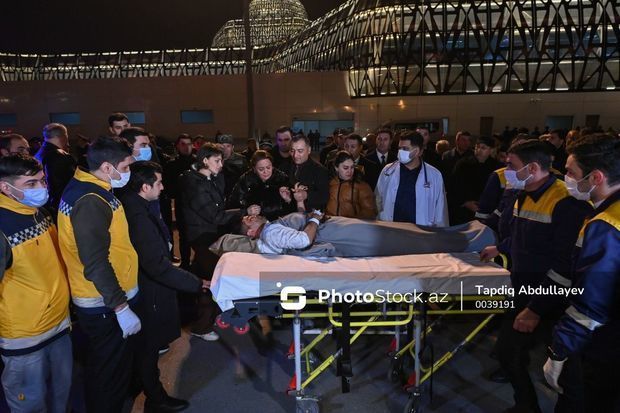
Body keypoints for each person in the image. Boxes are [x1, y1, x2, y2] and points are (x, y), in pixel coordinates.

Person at [479, 140, 592, 413]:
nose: (506, 170)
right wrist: (501, 247)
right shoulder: (524, 193)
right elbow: (523, 236)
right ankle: (526, 405)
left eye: (511, 165)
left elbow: (565, 264)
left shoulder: (565, 202)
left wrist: (535, 309)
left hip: (551, 297)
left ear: (532, 168)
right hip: (524, 289)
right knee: (508, 353)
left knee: (563, 368)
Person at [57, 136, 141, 412]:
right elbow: (95, 261)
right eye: (125, 167)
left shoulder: (89, 186)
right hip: (103, 302)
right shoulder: (90, 200)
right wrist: (120, 307)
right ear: (107, 167)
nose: (128, 172)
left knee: (109, 367)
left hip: (105, 297)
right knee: (108, 373)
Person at [119, 161, 208, 412]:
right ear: (145, 187)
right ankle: (155, 398)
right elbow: (156, 265)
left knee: (144, 348)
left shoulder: (138, 205)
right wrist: (195, 282)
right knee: (148, 347)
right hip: (149, 290)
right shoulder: (138, 216)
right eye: (158, 183)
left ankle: (143, 387)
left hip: (148, 285)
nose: (162, 187)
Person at [544, 134, 620, 412]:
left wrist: (559, 351)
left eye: (571, 172)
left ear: (596, 177)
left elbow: (591, 304)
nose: (565, 178)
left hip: (605, 344)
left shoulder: (606, 225)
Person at [0, 154, 72, 413]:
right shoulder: (3, 226)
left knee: (61, 392)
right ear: (5, 187)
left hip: (58, 323)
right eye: (30, 184)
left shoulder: (38, 212)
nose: (41, 188)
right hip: (25, 336)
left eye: (42, 181)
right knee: (29, 401)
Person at [178, 143, 241, 341]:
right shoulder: (195, 185)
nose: (221, 165)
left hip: (208, 235)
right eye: (217, 161)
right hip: (202, 236)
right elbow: (214, 215)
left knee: (205, 277)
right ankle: (202, 326)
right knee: (211, 280)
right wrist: (242, 212)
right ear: (205, 160)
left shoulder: (209, 178)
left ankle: (207, 317)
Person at [230, 211, 495, 257]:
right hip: (336, 233)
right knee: (406, 238)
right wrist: (314, 218)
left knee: (405, 233)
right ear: (251, 232)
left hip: (336, 229)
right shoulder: (270, 233)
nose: (250, 216)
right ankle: (474, 237)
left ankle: (469, 232)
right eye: (247, 220)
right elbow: (302, 240)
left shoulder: (272, 230)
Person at [375, 130, 448, 226]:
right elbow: (377, 200)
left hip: (421, 231)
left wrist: (441, 232)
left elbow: (440, 210)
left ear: (417, 151)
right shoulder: (387, 171)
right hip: (391, 229)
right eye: (399, 148)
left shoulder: (434, 175)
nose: (400, 152)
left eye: (405, 149)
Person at [229, 150, 301, 221]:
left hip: (280, 221)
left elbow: (295, 208)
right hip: (255, 222)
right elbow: (233, 204)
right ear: (254, 169)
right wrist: (247, 211)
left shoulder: (282, 178)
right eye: (261, 169)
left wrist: (288, 200)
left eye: (268, 167)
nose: (265, 172)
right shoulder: (245, 180)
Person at [448, 136, 503, 225]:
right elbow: (454, 185)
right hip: (465, 212)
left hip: (488, 212)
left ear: (491, 150)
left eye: (483, 148)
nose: (479, 150)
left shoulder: (497, 167)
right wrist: (465, 202)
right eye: (477, 147)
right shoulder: (463, 164)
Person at [163, 134, 196, 269]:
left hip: (198, 205)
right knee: (183, 236)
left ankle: (198, 264)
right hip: (182, 205)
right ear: (177, 146)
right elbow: (168, 187)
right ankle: (185, 264)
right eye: (183, 144)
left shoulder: (198, 163)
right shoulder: (171, 165)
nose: (186, 147)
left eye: (189, 144)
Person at [34, 123, 77, 218]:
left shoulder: (38, 154)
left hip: (45, 205)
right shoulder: (60, 156)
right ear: (63, 136)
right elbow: (66, 184)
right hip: (61, 206)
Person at [326, 151, 377, 219]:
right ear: (336, 168)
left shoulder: (361, 186)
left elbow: (370, 211)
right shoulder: (328, 183)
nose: (350, 171)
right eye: (345, 168)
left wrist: (353, 221)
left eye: (352, 167)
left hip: (352, 223)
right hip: (329, 222)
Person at [284, 135, 329, 211]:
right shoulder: (285, 166)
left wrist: (306, 195)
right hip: (289, 213)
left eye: (300, 151)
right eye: (292, 151)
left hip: (312, 214)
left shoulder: (320, 170)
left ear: (309, 150)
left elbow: (325, 196)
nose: (295, 155)